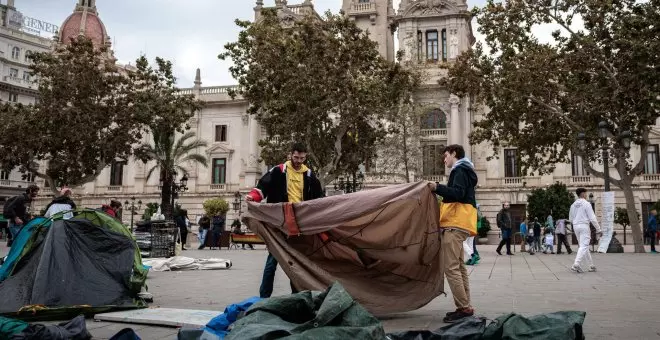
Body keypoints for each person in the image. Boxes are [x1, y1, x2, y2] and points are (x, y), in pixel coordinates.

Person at [246, 143, 324, 298]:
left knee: (295, 262)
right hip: (279, 223)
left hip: (298, 225)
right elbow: (263, 186)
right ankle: (264, 296)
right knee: (272, 260)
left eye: (302, 158)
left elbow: (318, 198)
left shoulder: (309, 175)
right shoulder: (278, 171)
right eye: (296, 157)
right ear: (290, 155)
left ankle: (296, 295)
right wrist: (253, 197)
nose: (298, 161)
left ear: (305, 157)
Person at [428, 144, 478, 323]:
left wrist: (437, 187)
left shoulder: (460, 170)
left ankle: (463, 308)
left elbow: (457, 193)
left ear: (454, 154)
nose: (444, 159)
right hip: (462, 223)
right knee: (459, 266)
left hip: (455, 224)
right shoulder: (466, 170)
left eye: (446, 156)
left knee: (451, 268)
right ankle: (465, 306)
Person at [569, 188, 602, 273]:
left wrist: (576, 223)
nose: (586, 195)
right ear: (583, 194)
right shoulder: (586, 204)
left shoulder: (573, 205)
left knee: (584, 246)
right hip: (584, 226)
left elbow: (571, 219)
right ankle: (576, 264)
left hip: (575, 226)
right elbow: (592, 218)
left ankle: (591, 265)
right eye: (586, 193)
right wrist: (598, 229)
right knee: (583, 246)